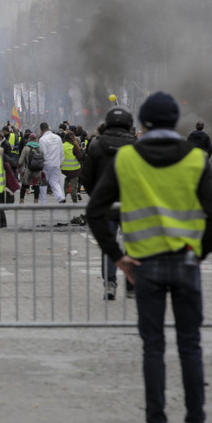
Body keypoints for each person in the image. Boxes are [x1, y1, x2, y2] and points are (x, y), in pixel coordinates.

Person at [86, 92, 212, 423]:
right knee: (190, 346)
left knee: (153, 348)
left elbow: (97, 211)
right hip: (185, 262)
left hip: (144, 265)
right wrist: (201, 253)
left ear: (143, 125)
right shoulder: (196, 159)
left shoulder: (128, 159)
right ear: (175, 122)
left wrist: (117, 257)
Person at [80, 106, 137, 300]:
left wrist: (96, 196)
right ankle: (131, 285)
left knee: (108, 246)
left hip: (105, 204)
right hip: (131, 204)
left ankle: (110, 283)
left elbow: (86, 176)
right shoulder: (136, 146)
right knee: (134, 246)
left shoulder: (96, 145)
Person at [38, 122, 65, 204]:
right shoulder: (58, 138)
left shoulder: (42, 139)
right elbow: (61, 152)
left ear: (41, 130)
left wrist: (42, 166)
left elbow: (43, 154)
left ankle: (43, 201)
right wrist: (60, 162)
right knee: (54, 181)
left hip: (47, 164)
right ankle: (60, 197)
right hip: (56, 163)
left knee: (43, 183)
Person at [17, 133, 42, 204]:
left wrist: (18, 168)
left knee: (24, 184)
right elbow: (43, 158)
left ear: (29, 139)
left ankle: (21, 201)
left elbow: (21, 160)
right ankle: (36, 201)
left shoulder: (26, 148)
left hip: (28, 169)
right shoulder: (39, 147)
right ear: (36, 139)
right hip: (37, 170)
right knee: (36, 185)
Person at [60, 131, 84, 203]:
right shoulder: (73, 147)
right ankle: (74, 198)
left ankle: (63, 197)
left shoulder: (62, 146)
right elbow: (80, 157)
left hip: (63, 170)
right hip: (74, 170)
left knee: (64, 185)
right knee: (74, 186)